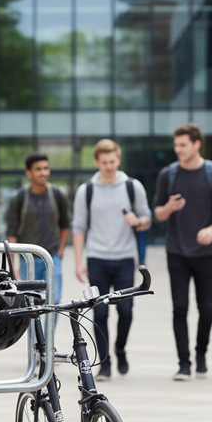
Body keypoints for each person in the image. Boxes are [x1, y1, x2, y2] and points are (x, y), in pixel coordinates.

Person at [153, 123, 212, 381]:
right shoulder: (169, 174)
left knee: (206, 307)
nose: (178, 150)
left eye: (183, 145)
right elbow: (158, 214)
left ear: (197, 144)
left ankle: (201, 355)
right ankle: (184, 363)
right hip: (177, 250)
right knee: (180, 308)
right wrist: (170, 208)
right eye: (176, 145)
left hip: (206, 252)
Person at [72, 139, 151, 381]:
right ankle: (104, 363)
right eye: (104, 162)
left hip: (125, 258)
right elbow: (79, 227)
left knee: (126, 310)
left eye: (113, 161)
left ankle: (120, 348)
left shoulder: (132, 187)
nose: (109, 166)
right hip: (97, 258)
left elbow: (146, 217)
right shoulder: (87, 190)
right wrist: (78, 261)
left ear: (118, 159)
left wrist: (138, 222)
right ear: (97, 162)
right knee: (101, 313)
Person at [5, 152, 69, 304]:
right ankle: (34, 330)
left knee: (54, 300)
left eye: (46, 168)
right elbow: (12, 231)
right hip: (28, 260)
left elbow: (65, 225)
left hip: (52, 257)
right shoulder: (18, 197)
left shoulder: (58, 194)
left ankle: (49, 329)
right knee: (29, 302)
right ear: (29, 173)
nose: (43, 173)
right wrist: (13, 265)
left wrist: (60, 250)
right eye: (38, 169)